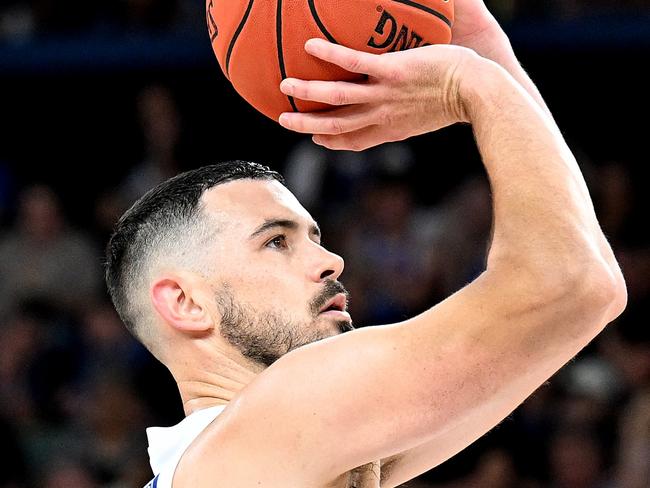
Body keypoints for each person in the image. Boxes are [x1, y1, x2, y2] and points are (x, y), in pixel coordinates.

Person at [104, 1, 627, 486]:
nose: (331, 261)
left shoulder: (286, 456)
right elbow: (570, 282)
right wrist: (471, 79)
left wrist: (480, 45)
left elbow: (588, 286)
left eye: (315, 237)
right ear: (185, 302)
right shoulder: (274, 424)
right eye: (276, 243)